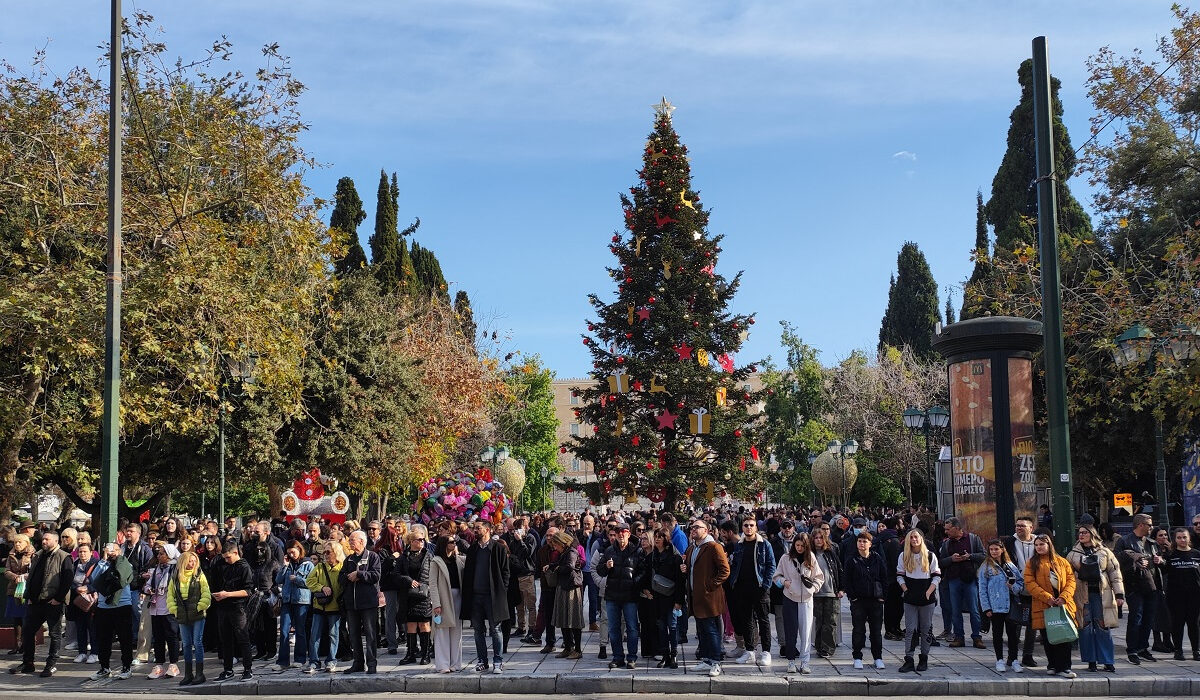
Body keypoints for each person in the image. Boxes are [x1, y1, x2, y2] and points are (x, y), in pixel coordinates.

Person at [9, 531, 72, 677]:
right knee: (28, 631)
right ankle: (28, 663)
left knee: (54, 634)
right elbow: (32, 577)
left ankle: (51, 664)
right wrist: (29, 596)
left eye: (47, 539)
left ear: (55, 541)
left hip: (53, 602)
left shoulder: (64, 557)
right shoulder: (38, 555)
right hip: (36, 602)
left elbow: (67, 580)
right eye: (43, 539)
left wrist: (58, 598)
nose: (44, 541)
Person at [1066, 524, 1123, 672]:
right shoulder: (1072, 554)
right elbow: (1068, 576)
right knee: (1085, 628)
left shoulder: (1105, 552)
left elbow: (1115, 573)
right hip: (1081, 594)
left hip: (1102, 594)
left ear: (1092, 534)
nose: (1081, 535)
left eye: (1085, 532)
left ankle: (1107, 660)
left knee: (1103, 626)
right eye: (1079, 533)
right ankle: (1091, 660)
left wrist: (1119, 594)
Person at [1024, 533, 1077, 678]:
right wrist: (1047, 598)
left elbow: (1071, 581)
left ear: (1049, 545)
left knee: (1064, 637)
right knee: (1048, 637)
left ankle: (1065, 667)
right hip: (1043, 605)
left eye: (1042, 544)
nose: (1039, 547)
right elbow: (1030, 584)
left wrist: (1064, 597)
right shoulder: (1032, 563)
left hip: (1062, 605)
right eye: (1036, 545)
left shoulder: (1062, 561)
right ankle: (1052, 665)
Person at [461, 519, 511, 674]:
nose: (475, 530)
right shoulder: (473, 549)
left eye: (478, 528)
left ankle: (498, 661)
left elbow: (505, 573)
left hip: (493, 596)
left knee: (495, 629)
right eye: (474, 528)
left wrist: (502, 591)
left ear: (488, 530)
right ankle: (482, 660)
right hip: (475, 596)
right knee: (478, 630)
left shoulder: (498, 548)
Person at [1114, 512, 1163, 665]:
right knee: (1136, 618)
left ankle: (1143, 648)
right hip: (1134, 585)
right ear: (1140, 525)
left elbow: (1159, 564)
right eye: (1149, 524)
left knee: (1148, 618)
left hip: (1151, 585)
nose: (1151, 527)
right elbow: (1116, 562)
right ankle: (1132, 649)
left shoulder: (1151, 543)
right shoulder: (1125, 541)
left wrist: (1159, 560)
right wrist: (1135, 561)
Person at [682, 519, 730, 677]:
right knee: (702, 630)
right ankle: (706, 659)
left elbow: (725, 570)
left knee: (711, 630)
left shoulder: (713, 547)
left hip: (709, 597)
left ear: (706, 530)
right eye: (692, 527)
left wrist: (710, 585)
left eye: (697, 527)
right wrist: (685, 568)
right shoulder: (692, 548)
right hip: (696, 597)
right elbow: (692, 569)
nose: (693, 529)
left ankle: (716, 661)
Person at [773, 532, 824, 674]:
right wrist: (784, 582)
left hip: (807, 600)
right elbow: (776, 576)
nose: (799, 548)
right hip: (789, 598)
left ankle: (805, 662)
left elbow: (819, 577)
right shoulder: (785, 558)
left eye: (802, 546)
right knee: (790, 631)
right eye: (797, 545)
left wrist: (813, 589)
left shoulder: (811, 558)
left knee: (806, 632)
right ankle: (791, 661)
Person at [598, 521, 646, 670]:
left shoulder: (637, 551)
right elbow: (600, 570)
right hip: (612, 595)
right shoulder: (609, 551)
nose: (620, 534)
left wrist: (634, 582)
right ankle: (618, 657)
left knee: (632, 627)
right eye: (618, 532)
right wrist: (606, 566)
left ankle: (632, 657)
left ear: (628, 534)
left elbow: (644, 571)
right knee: (613, 628)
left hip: (630, 596)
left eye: (623, 532)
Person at [730, 516, 776, 667]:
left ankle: (766, 652)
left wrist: (766, 585)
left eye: (751, 525)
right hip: (742, 588)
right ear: (742, 528)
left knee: (763, 620)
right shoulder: (739, 546)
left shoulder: (765, 545)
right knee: (747, 620)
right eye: (746, 525)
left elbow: (771, 566)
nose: (748, 528)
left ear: (756, 528)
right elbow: (735, 565)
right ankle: (749, 651)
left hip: (760, 588)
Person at [977, 539, 1027, 673]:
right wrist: (986, 607)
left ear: (1002, 549)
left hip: (1011, 603)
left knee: (1013, 634)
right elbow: (982, 589)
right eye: (991, 549)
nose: (994, 552)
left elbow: (1020, 583)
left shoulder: (1010, 565)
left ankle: (1014, 659)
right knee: (997, 633)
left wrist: (1013, 586)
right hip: (995, 605)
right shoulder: (985, 567)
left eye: (996, 549)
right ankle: (999, 659)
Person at [89, 542, 135, 681]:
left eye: (113, 550)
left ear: (119, 551)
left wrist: (115, 558)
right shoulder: (103, 564)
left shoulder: (125, 564)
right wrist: (103, 560)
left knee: (124, 638)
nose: (111, 553)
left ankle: (126, 667)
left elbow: (121, 578)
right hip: (104, 607)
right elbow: (94, 579)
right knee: (104, 639)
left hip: (122, 605)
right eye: (108, 550)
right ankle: (104, 667)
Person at [938, 517, 986, 649]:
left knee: (974, 609)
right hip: (953, 580)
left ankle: (977, 637)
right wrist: (951, 559)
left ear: (957, 528)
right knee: (955, 610)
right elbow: (941, 562)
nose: (946, 532)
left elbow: (984, 556)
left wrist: (969, 556)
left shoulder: (973, 539)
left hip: (970, 579)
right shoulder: (947, 543)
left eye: (948, 529)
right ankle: (959, 637)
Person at [842, 530, 888, 670]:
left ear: (870, 543)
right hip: (859, 600)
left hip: (875, 599)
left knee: (876, 630)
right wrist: (852, 596)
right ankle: (857, 656)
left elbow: (884, 578)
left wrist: (882, 596)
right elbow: (847, 580)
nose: (861, 544)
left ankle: (878, 657)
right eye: (859, 541)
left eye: (864, 541)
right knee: (858, 630)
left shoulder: (877, 558)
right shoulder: (852, 559)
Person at [897, 529, 941, 673]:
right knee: (910, 629)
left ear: (921, 539)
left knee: (926, 628)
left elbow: (937, 576)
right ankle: (909, 659)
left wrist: (929, 592)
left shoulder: (930, 556)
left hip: (926, 597)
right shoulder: (903, 556)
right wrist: (905, 590)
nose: (914, 540)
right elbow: (899, 576)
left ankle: (924, 658)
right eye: (911, 537)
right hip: (910, 596)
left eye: (916, 537)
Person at [339, 530, 382, 674]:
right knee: (354, 634)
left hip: (368, 602)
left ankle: (371, 664)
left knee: (370, 634)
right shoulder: (349, 559)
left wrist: (360, 574)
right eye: (349, 540)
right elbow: (341, 578)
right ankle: (358, 663)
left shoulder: (373, 556)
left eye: (352, 540)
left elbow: (375, 575)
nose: (350, 542)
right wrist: (349, 576)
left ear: (362, 542)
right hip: (352, 603)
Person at [167, 549, 211, 685]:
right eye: (189, 561)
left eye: (194, 561)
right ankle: (188, 673)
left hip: (197, 612)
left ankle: (199, 673)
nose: (192, 563)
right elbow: (170, 595)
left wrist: (200, 606)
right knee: (186, 644)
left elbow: (206, 593)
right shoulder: (175, 576)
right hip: (182, 612)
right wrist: (174, 610)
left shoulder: (199, 575)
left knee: (197, 642)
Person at [212, 541, 254, 682]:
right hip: (223, 607)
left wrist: (228, 594)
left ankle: (248, 669)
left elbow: (248, 591)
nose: (226, 560)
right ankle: (228, 669)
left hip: (238, 607)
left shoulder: (244, 567)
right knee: (225, 640)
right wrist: (218, 595)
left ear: (236, 553)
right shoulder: (222, 565)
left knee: (243, 638)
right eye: (224, 557)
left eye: (228, 557)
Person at [1002, 516, 1040, 668]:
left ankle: (1028, 655)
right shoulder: (1009, 543)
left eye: (1022, 526)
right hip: (1015, 589)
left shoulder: (1039, 542)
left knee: (1033, 624)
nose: (1019, 528)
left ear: (1031, 528)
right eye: (1017, 525)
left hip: (1035, 589)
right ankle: (1012, 656)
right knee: (1014, 624)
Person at [395, 525, 434, 666]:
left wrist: (428, 587)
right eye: (419, 539)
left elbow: (433, 574)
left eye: (423, 539)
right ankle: (411, 653)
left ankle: (425, 654)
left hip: (424, 595)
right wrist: (409, 580)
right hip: (408, 595)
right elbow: (396, 575)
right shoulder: (403, 557)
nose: (422, 542)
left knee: (424, 624)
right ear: (411, 541)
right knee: (410, 624)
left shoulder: (428, 556)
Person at [646, 527, 684, 669]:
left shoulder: (675, 557)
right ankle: (665, 655)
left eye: (660, 537)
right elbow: (648, 576)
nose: (657, 539)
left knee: (672, 627)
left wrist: (679, 601)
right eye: (656, 536)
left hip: (671, 598)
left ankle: (674, 654)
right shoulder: (652, 556)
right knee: (661, 627)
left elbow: (680, 581)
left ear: (666, 539)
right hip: (657, 598)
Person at [273, 542, 313, 671]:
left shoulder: (308, 564)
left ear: (299, 550)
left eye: (293, 552)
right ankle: (283, 661)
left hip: (301, 600)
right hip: (287, 600)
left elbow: (312, 583)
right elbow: (278, 580)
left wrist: (297, 579)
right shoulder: (288, 565)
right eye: (289, 552)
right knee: (284, 631)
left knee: (300, 630)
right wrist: (284, 567)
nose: (291, 555)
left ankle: (300, 659)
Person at [144, 543, 181, 680]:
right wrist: (148, 589)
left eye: (162, 554)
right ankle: (159, 664)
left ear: (169, 555)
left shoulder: (175, 569)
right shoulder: (156, 569)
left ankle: (173, 664)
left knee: (171, 636)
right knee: (158, 637)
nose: (159, 556)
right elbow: (148, 585)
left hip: (169, 607)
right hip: (155, 607)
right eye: (158, 554)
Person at [305, 544, 344, 673]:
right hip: (319, 606)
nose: (326, 554)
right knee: (314, 635)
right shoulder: (320, 567)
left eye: (329, 552)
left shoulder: (342, 567)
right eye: (325, 552)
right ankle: (314, 661)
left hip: (335, 606)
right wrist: (321, 587)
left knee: (333, 634)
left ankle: (331, 660)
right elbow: (309, 581)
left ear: (336, 553)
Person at [429, 535, 466, 673]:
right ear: (444, 544)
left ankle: (455, 663)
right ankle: (443, 664)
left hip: (458, 597)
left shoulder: (458, 559)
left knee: (457, 631)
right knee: (443, 630)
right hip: (443, 597)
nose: (454, 543)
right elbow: (432, 584)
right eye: (451, 542)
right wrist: (436, 604)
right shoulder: (436, 561)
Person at [1163, 527, 1200, 660]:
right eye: (1179, 537)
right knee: (1177, 624)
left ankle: (1196, 650)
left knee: (1194, 624)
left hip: (1195, 596)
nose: (1182, 540)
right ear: (1175, 540)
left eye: (1184, 537)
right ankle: (1178, 650)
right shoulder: (1170, 555)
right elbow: (1163, 570)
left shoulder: (1197, 554)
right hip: (1175, 596)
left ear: (1189, 538)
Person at [549, 531, 585, 660]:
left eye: (556, 545)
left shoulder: (571, 552)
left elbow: (569, 567)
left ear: (562, 543)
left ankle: (578, 649)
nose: (555, 548)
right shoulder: (564, 552)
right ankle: (568, 647)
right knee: (564, 619)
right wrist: (552, 565)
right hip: (563, 587)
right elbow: (561, 564)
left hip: (571, 589)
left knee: (574, 620)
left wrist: (557, 568)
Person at [809, 526, 842, 659]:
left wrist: (841, 588)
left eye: (820, 538)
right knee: (819, 621)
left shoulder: (831, 552)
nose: (818, 540)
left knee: (830, 621)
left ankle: (827, 648)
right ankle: (819, 646)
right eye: (816, 538)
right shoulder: (809, 554)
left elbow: (839, 569)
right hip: (815, 593)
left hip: (831, 591)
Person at [69, 541, 99, 665]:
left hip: (91, 601)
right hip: (77, 600)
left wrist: (88, 588)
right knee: (80, 626)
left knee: (92, 627)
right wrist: (75, 588)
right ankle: (81, 652)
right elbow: (68, 579)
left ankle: (94, 653)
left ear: (91, 553)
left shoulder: (96, 564)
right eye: (80, 552)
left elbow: (99, 581)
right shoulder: (74, 564)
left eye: (85, 551)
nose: (82, 554)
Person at [3, 533, 33, 657]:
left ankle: (27, 645)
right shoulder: (11, 555)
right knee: (16, 618)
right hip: (14, 589)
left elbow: (34, 571)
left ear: (27, 543)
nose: (17, 544)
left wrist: (25, 576)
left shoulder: (33, 554)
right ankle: (18, 644)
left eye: (20, 542)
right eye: (16, 542)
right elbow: (6, 571)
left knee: (26, 618)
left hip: (26, 589)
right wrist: (14, 576)